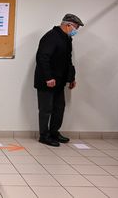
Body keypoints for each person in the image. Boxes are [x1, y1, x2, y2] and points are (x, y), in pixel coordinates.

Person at [34, 13, 84, 147]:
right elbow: (42, 58)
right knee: (46, 109)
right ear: (68, 25)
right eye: (75, 28)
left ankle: (54, 132)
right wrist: (48, 77)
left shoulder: (66, 39)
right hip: (47, 82)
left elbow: (68, 60)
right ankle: (44, 136)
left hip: (59, 82)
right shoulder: (51, 37)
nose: (75, 31)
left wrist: (71, 78)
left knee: (59, 108)